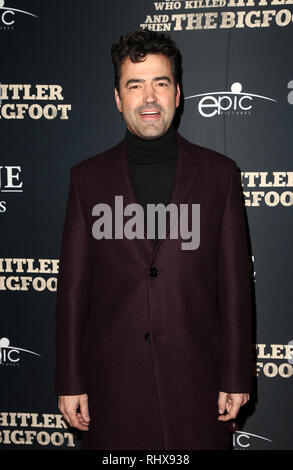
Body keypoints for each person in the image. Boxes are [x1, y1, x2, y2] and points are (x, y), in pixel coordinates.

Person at [55, 29, 252, 450]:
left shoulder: (220, 175)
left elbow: (235, 286)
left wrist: (236, 374)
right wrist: (70, 379)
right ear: (117, 98)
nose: (149, 96)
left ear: (178, 94)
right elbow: (72, 290)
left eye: (160, 83)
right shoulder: (85, 180)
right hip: (111, 389)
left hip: (198, 385)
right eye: (135, 84)